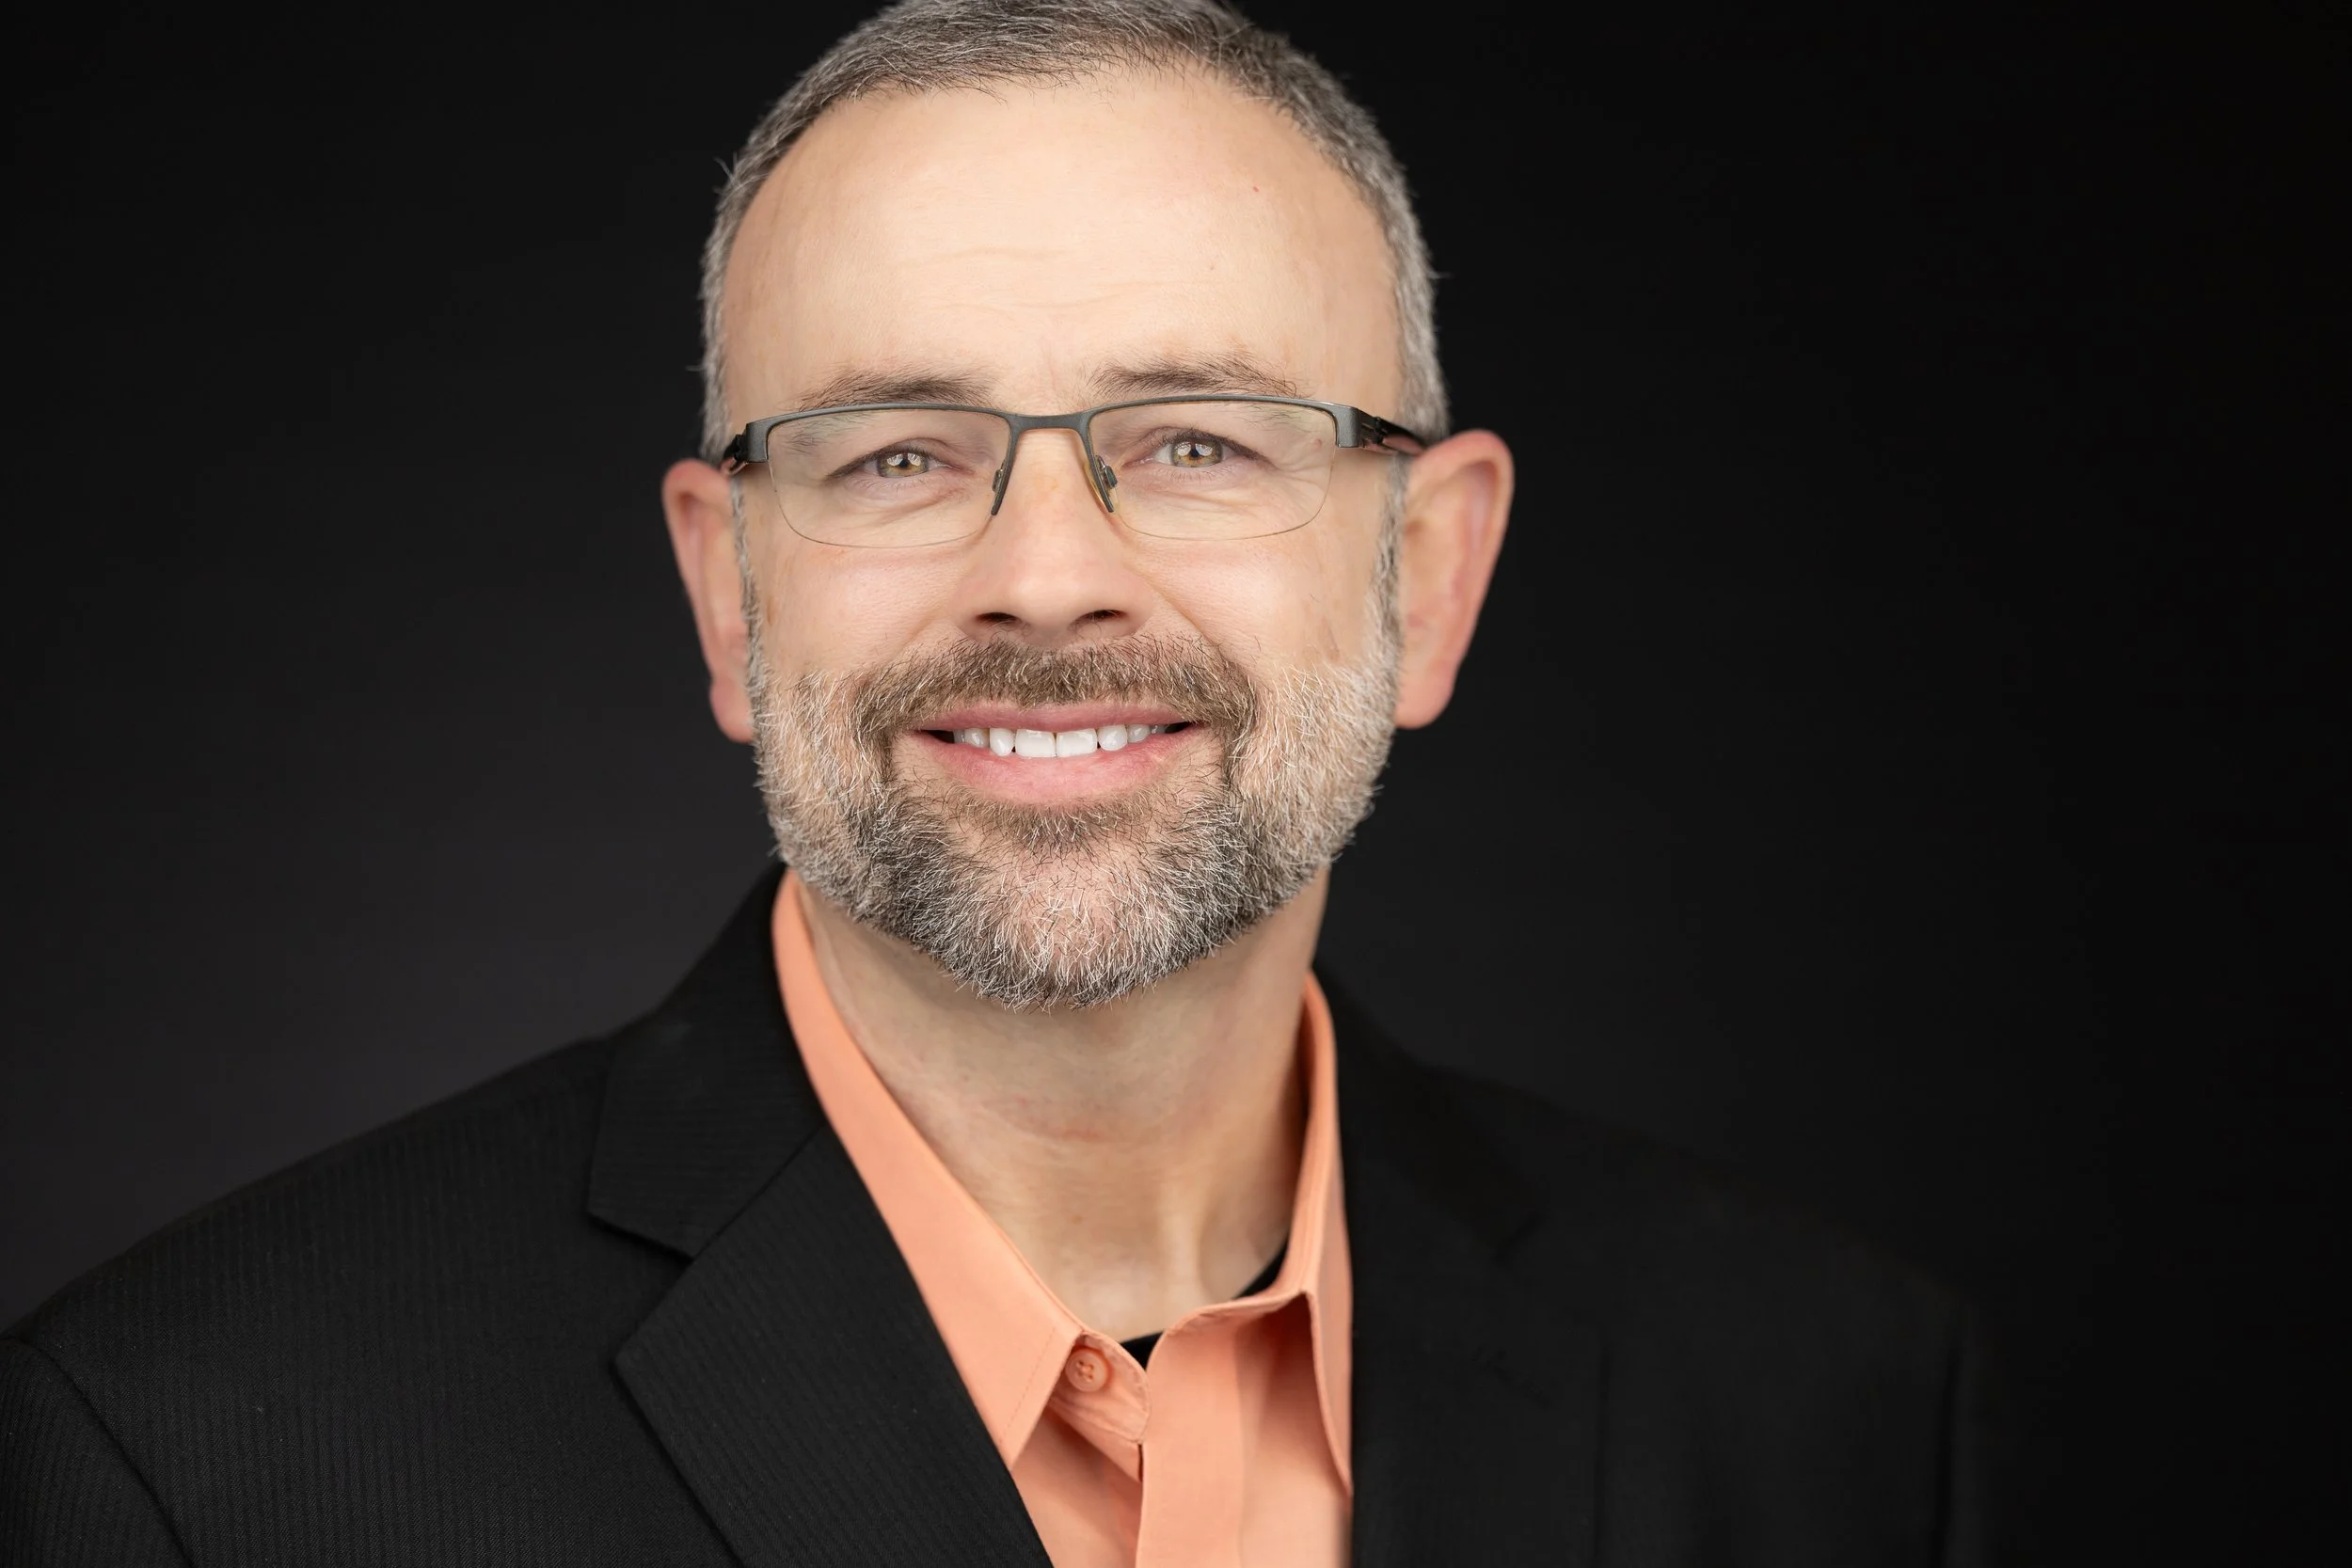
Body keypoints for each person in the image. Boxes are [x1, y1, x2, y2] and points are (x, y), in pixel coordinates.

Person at [0, 2, 2000, 1562]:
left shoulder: (1825, 1406)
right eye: (896, 452)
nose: (1045, 576)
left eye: (1199, 439)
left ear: (1432, 575)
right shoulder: (186, 1455)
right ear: (727, 593)